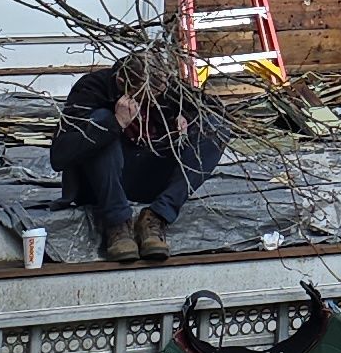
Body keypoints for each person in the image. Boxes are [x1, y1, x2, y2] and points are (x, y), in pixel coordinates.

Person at [51, 51, 228, 261]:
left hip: (148, 172)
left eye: (158, 96)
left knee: (216, 127)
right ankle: (117, 225)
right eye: (146, 96)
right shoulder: (92, 88)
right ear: (121, 82)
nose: (153, 102)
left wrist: (186, 114)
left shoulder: (162, 87)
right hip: (102, 182)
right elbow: (59, 157)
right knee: (102, 119)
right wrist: (115, 124)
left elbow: (216, 110)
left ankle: (157, 216)